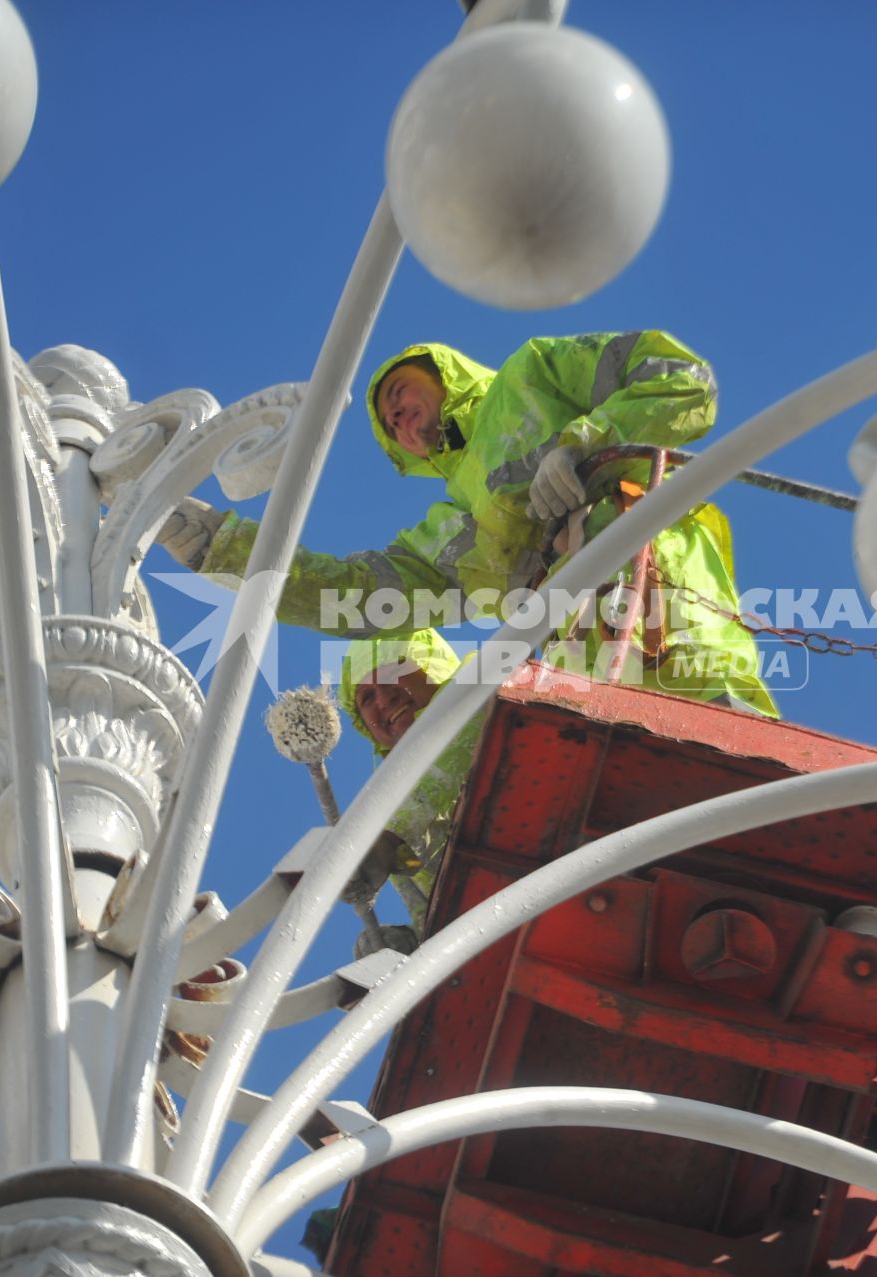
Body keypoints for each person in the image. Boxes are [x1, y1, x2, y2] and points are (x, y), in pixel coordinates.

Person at [161, 332, 777, 715]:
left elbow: (676, 376)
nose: (398, 416)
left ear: (442, 373)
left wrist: (586, 440)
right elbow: (360, 596)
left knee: (717, 713)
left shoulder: (531, 374)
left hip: (653, 574)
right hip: (578, 653)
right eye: (390, 426)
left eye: (400, 393)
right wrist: (225, 549)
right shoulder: (460, 529)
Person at [336, 630, 486, 934]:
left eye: (396, 671)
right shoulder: (390, 808)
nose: (384, 697)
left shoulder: (484, 682)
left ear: (431, 667)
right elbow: (437, 922)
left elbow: (458, 743)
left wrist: (392, 837)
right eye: (366, 698)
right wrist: (407, 947)